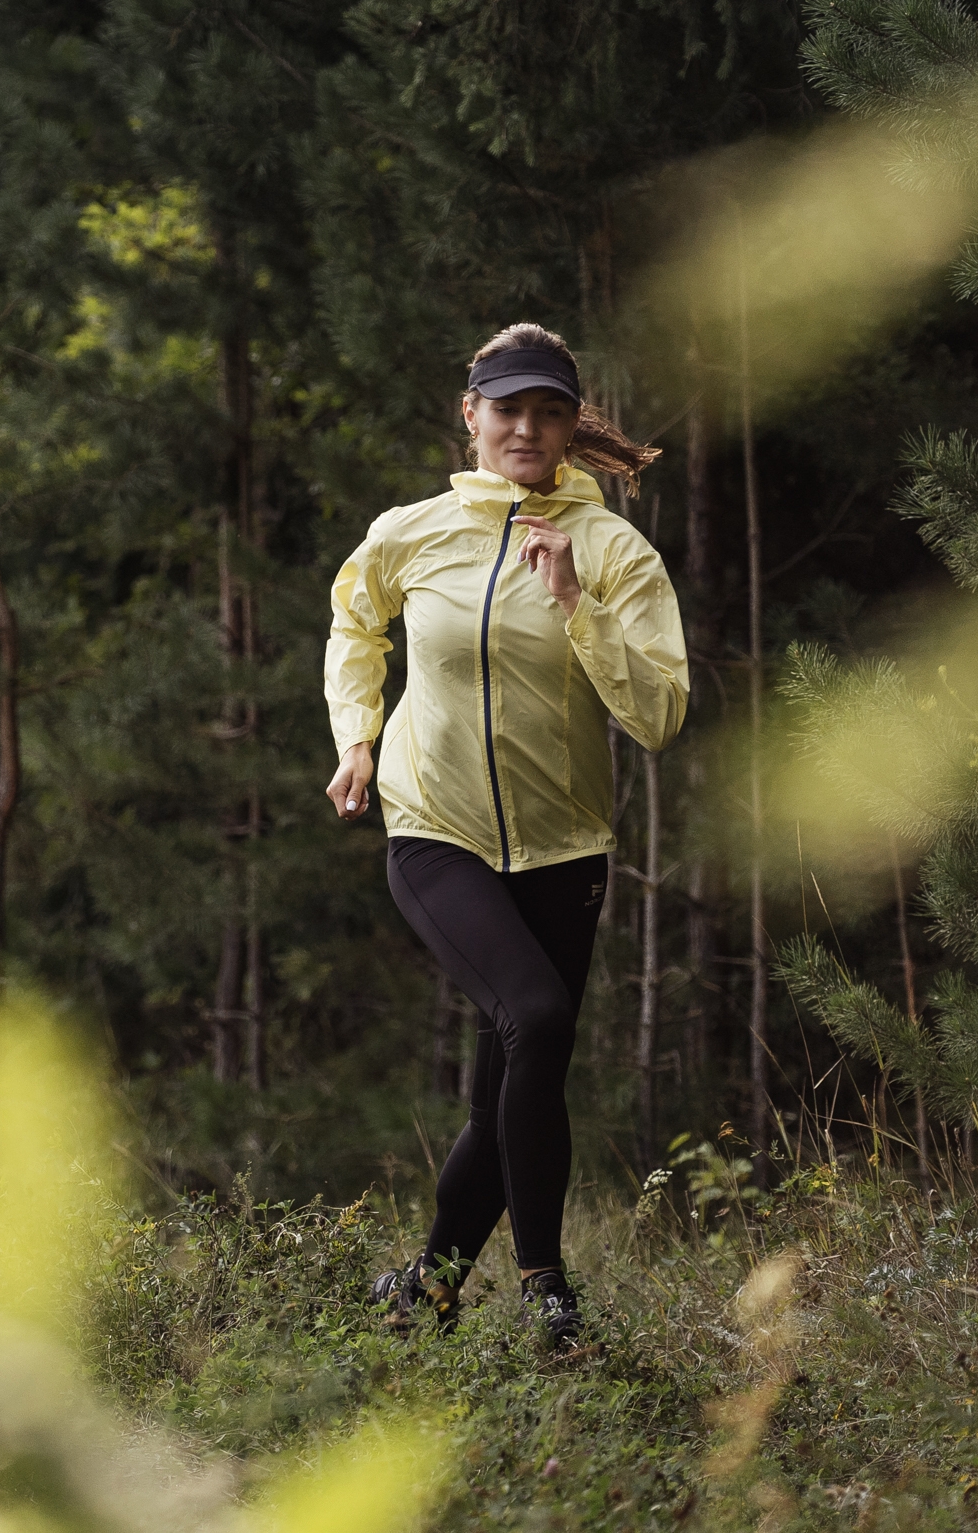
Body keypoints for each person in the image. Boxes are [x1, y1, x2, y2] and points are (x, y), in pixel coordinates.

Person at [323, 322, 688, 1355]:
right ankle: (544, 1283)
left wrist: (574, 600)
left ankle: (425, 1285)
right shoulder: (411, 529)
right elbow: (356, 623)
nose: (527, 426)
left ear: (573, 425)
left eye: (549, 410)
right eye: (508, 408)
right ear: (471, 414)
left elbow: (658, 713)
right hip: (433, 824)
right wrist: (357, 737)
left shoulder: (615, 550)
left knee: (509, 1076)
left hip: (562, 846)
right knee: (533, 1014)